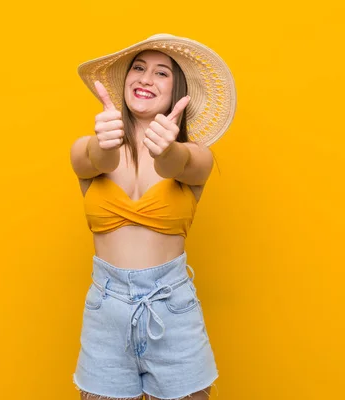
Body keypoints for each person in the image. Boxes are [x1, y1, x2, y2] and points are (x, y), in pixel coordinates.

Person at [70, 34, 236, 400]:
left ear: (177, 91)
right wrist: (104, 143)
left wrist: (168, 149)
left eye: (161, 73)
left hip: (172, 310)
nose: (146, 78)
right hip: (105, 310)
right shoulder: (88, 148)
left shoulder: (196, 156)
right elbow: (97, 160)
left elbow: (179, 164)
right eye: (139, 69)